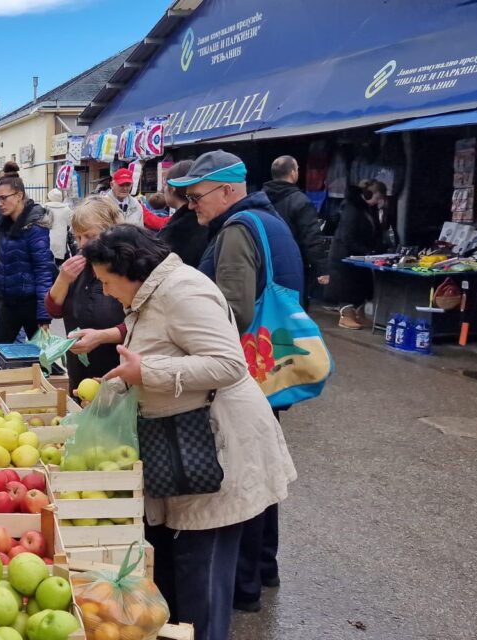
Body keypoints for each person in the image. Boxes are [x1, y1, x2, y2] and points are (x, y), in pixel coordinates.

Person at [82, 225, 296, 640]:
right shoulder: (150, 295)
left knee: (204, 573)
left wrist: (147, 371)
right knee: (181, 571)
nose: (105, 292)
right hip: (181, 444)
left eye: (107, 282)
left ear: (131, 270)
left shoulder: (183, 292)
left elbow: (228, 363)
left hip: (217, 446)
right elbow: (161, 347)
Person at [167, 150, 303, 616]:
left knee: (244, 476)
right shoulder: (271, 220)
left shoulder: (236, 231)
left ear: (228, 190)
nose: (191, 206)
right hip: (273, 360)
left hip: (245, 367)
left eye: (197, 197)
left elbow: (233, 310)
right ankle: (264, 568)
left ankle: (244, 582)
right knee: (263, 466)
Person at [47, 196, 126, 390]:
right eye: (77, 237)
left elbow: (142, 324)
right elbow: (54, 310)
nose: (82, 244)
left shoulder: (128, 268)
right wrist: (63, 279)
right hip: (79, 371)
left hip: (116, 371)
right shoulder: (80, 264)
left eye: (90, 236)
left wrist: (101, 336)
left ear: (111, 231)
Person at [0, 175, 55, 343]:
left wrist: (44, 315)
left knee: (43, 355)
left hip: (31, 303)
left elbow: (43, 271)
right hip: (8, 301)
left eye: (4, 198)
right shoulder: (5, 225)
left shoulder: (35, 227)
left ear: (19, 195)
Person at [262, 156, 330, 302]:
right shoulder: (301, 201)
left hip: (263, 263)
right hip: (292, 266)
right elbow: (311, 238)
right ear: (293, 173)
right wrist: (322, 269)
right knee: (293, 309)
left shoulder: (259, 199)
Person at [327, 183, 383, 329]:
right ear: (368, 194)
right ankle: (346, 315)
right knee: (347, 287)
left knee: (361, 284)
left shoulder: (367, 209)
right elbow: (347, 236)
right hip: (345, 255)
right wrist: (366, 251)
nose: (378, 201)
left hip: (359, 255)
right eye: (377, 197)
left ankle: (358, 313)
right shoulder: (351, 208)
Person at [157, 160, 208, 267]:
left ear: (172, 188)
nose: (163, 189)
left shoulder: (173, 233)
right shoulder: (211, 219)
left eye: (165, 184)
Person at [44, 189, 74, 266]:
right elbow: (72, 223)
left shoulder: (44, 208)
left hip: (46, 240)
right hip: (60, 241)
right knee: (59, 264)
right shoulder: (66, 209)